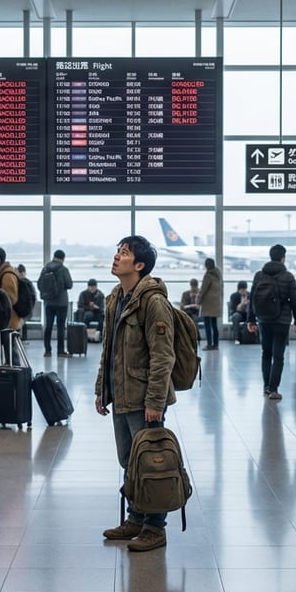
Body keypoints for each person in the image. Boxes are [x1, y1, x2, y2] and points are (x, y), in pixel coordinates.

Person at [95, 235, 176, 553]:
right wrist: (103, 389)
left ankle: (155, 528)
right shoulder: (115, 296)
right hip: (122, 394)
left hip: (144, 397)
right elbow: (109, 349)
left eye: (124, 253)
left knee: (152, 463)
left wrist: (155, 401)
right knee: (130, 460)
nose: (117, 257)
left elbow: (163, 355)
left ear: (139, 265)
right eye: (117, 251)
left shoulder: (152, 301)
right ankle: (135, 519)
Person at [246, 244, 296, 401]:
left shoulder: (259, 275)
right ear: (283, 258)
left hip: (263, 318)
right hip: (282, 320)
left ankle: (266, 386)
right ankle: (273, 389)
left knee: (266, 353)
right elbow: (295, 300)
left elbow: (252, 299)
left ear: (271, 257)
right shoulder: (288, 276)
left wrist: (251, 319)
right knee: (278, 355)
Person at [0, 246, 23, 357]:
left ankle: (15, 373)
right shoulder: (1, 274)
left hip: (9, 321)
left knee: (11, 353)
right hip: (6, 320)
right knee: (9, 351)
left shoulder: (7, 275)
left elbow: (11, 298)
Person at [38, 249, 74, 357]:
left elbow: (40, 284)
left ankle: (47, 351)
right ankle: (60, 351)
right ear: (63, 258)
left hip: (49, 302)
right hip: (61, 303)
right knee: (60, 327)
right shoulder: (63, 269)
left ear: (54, 256)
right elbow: (69, 285)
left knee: (48, 326)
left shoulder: (46, 268)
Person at [199, 259, 223, 351]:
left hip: (208, 303)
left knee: (207, 325)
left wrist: (198, 301)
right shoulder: (218, 274)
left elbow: (203, 289)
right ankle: (216, 344)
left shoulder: (208, 275)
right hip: (216, 303)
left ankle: (209, 344)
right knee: (214, 325)